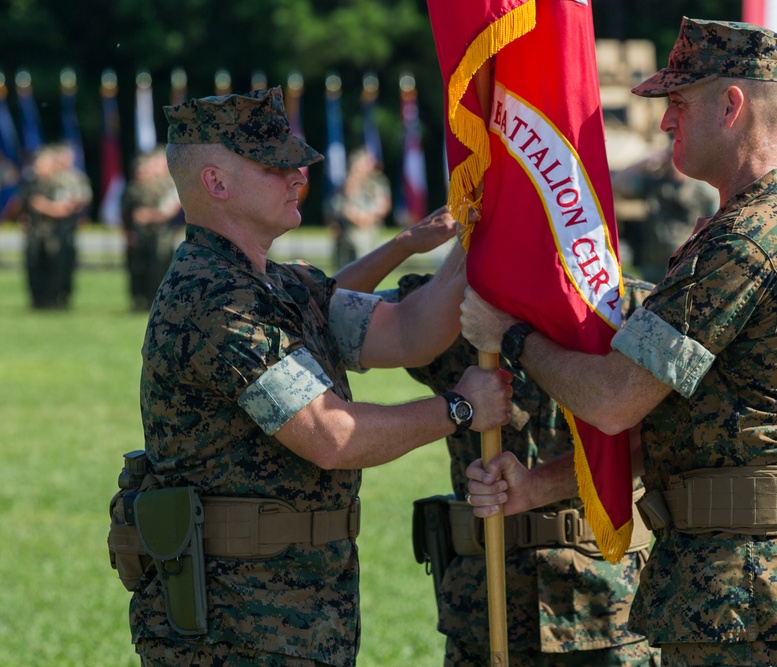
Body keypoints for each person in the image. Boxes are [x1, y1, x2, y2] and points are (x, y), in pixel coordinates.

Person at [461, 18, 777, 667]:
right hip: (749, 580)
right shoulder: (771, 224)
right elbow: (680, 424)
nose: (666, 122)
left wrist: (508, 334)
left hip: (745, 590)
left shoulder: (746, 242)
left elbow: (615, 399)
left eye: (678, 103)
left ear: (730, 106)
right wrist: (538, 486)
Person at [126, 87, 512, 667]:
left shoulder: (281, 285)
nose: (298, 175)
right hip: (235, 626)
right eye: (273, 165)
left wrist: (479, 236)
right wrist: (458, 409)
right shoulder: (215, 299)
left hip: (297, 613)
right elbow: (333, 437)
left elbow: (409, 330)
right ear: (216, 183)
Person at [394, 274, 660, 667]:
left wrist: (541, 486)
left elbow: (650, 441)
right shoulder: (455, 311)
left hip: (608, 606)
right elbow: (365, 329)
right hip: (485, 603)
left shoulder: (634, 310)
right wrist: (412, 245)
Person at [612, 139, 718, 283]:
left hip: (686, 265)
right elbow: (618, 184)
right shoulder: (655, 184)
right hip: (653, 264)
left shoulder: (703, 190)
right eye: (672, 156)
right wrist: (645, 162)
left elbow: (716, 222)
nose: (675, 162)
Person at [20, 143, 92, 309]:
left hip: (58, 233)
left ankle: (56, 299)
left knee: (58, 267)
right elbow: (29, 204)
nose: (38, 168)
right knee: (35, 267)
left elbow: (67, 205)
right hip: (37, 233)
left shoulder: (61, 182)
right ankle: (39, 300)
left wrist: (47, 206)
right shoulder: (33, 184)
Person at [121, 146, 183, 311]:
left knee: (159, 267)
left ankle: (157, 301)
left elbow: (170, 210)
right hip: (139, 234)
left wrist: (148, 215)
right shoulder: (135, 188)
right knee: (138, 268)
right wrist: (128, 232)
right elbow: (125, 211)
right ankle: (139, 301)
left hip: (161, 234)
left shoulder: (169, 185)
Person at [328, 147, 392, 269]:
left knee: (365, 268)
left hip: (367, 232)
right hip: (346, 232)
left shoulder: (377, 182)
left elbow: (384, 204)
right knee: (343, 271)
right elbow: (333, 207)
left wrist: (368, 217)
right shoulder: (344, 185)